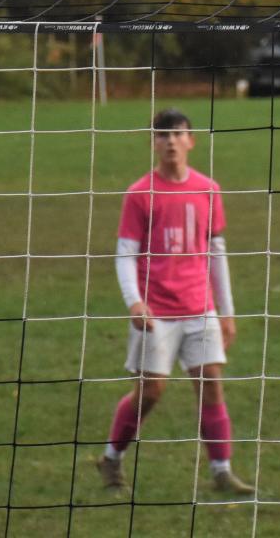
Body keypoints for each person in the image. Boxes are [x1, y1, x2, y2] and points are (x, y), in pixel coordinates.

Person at [96, 109, 252, 495]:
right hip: (156, 315)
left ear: (190, 141)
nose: (169, 141)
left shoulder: (208, 190)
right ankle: (111, 458)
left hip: (200, 309)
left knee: (212, 383)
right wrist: (135, 302)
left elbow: (217, 254)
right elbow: (125, 253)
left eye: (177, 134)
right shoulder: (139, 194)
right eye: (162, 135)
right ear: (154, 143)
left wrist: (226, 312)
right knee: (150, 393)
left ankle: (221, 471)